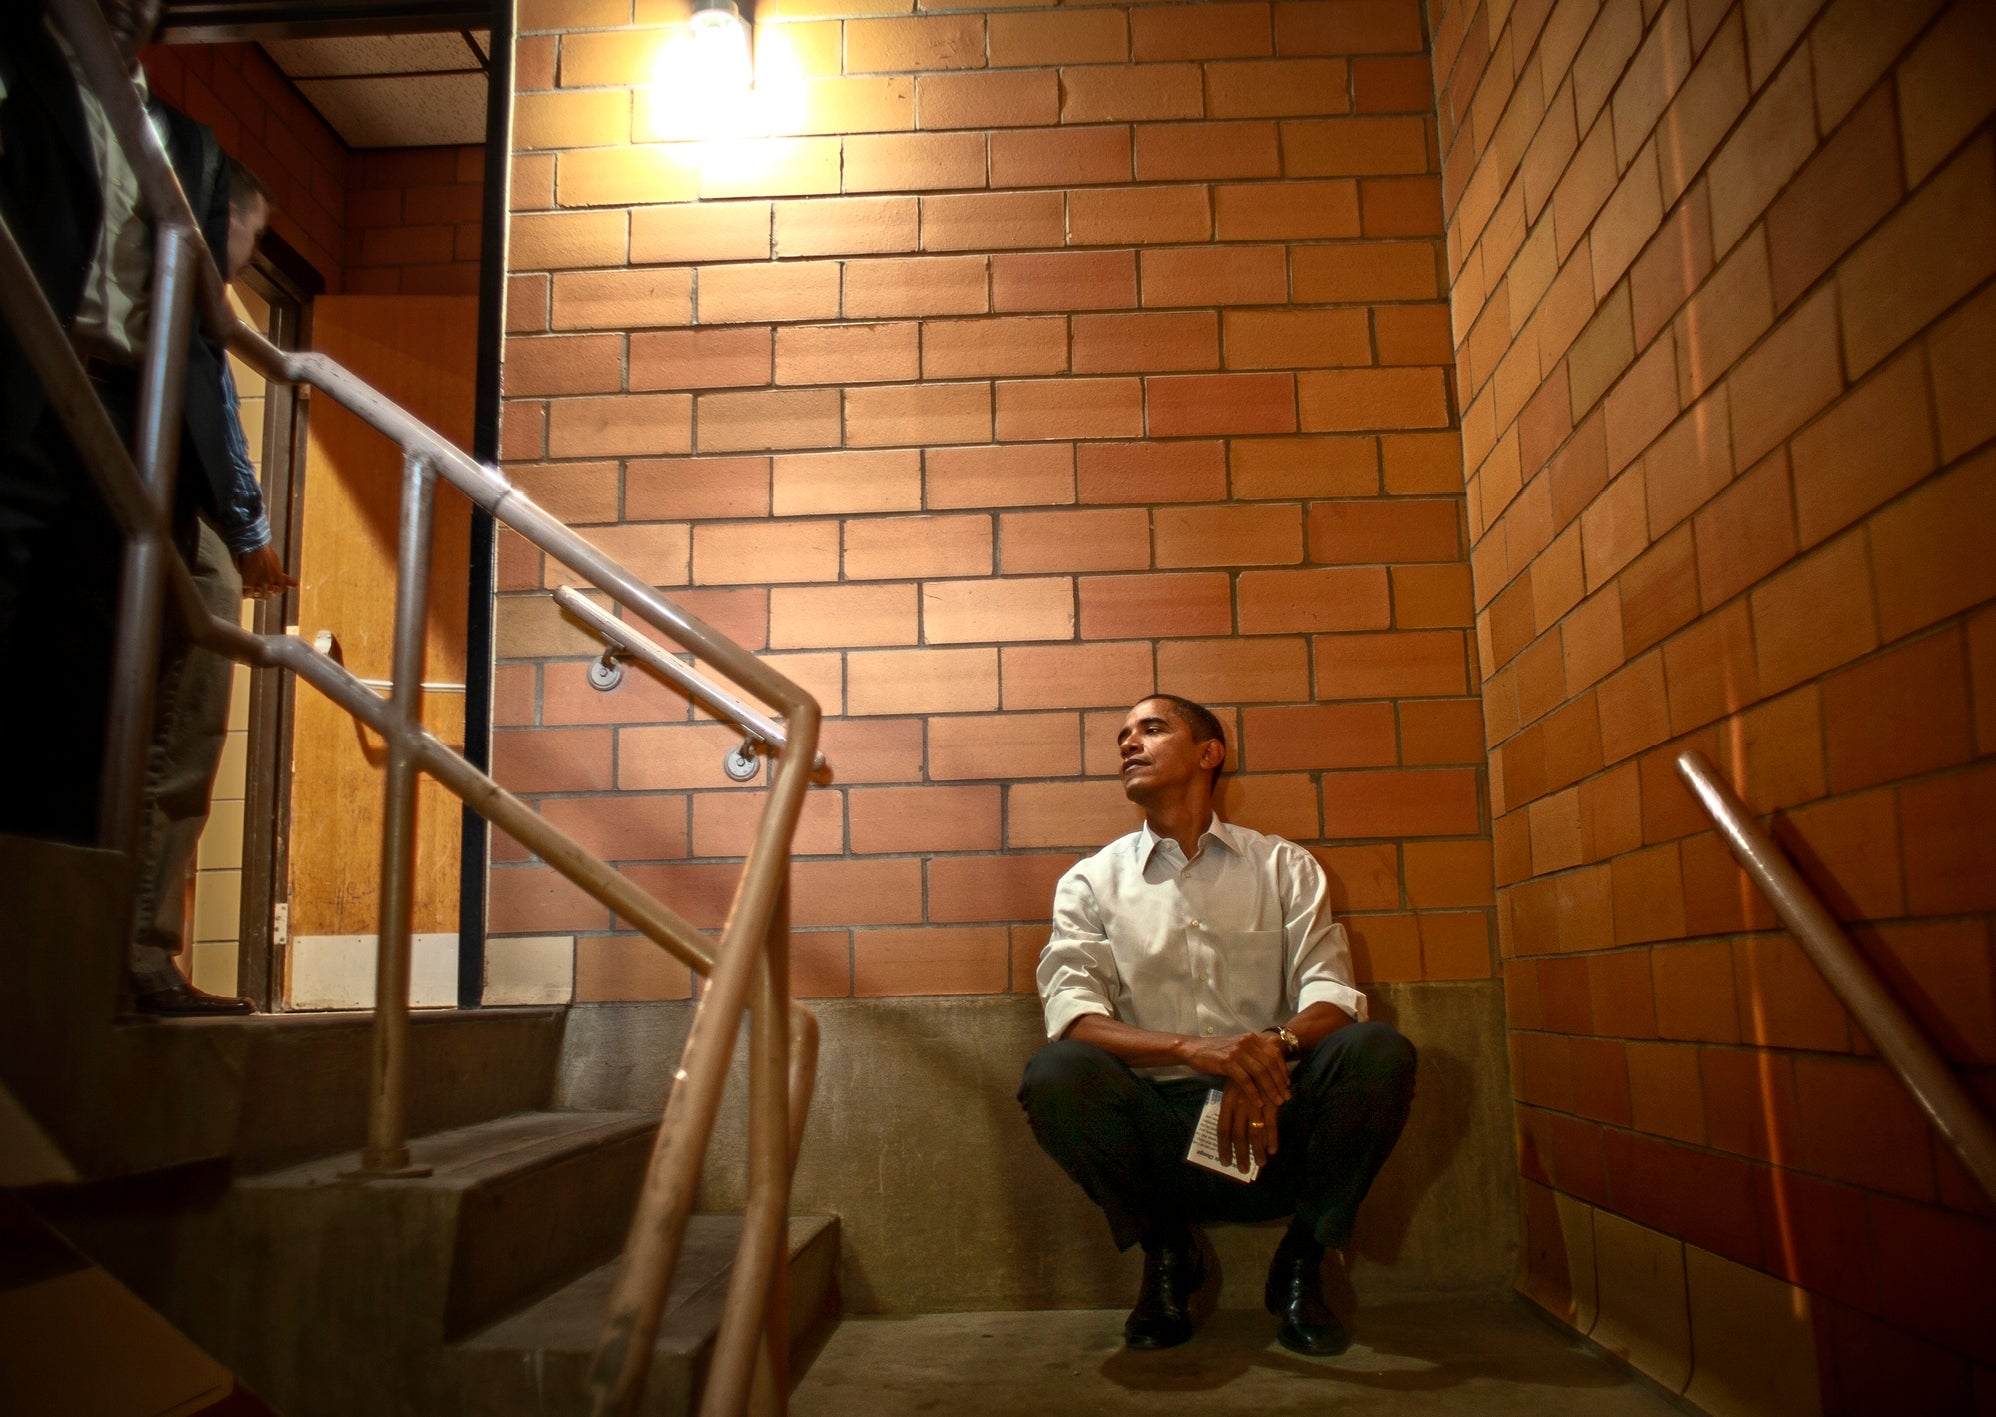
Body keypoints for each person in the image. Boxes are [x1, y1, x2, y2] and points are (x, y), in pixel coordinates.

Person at [1018, 694, 1417, 1355]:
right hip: (1159, 1131)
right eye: (1123, 735)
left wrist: (1268, 1048)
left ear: (1210, 753)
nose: (1129, 743)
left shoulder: (1283, 866)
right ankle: (1169, 1251)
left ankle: (1304, 1258)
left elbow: (1335, 995)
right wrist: (1198, 1049)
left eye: (1151, 728)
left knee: (1377, 1050)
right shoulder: (1090, 882)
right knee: (1055, 1073)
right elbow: (1075, 1017)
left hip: (1272, 1116)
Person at [130, 157, 290, 1016]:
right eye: (251, 233)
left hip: (174, 514)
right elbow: (211, 407)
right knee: (182, 738)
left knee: (169, 740)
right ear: (218, 215)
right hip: (184, 519)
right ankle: (143, 957)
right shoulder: (190, 300)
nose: (248, 252)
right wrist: (249, 532)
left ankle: (142, 952)